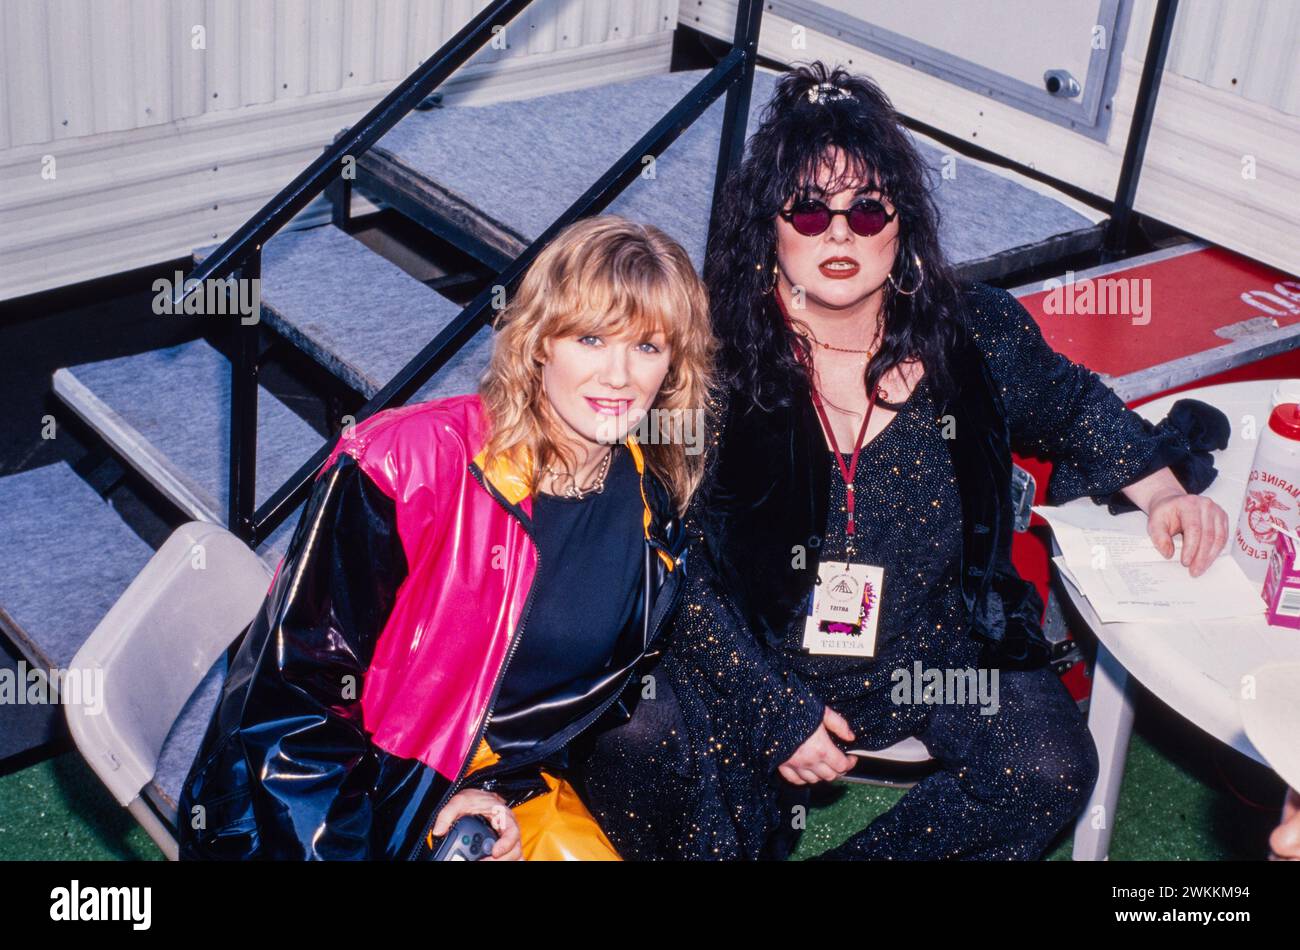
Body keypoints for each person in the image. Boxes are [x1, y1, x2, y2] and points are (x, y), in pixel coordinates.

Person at [571, 63, 1232, 860]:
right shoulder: (706, 364)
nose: (841, 233)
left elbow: (1073, 405)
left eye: (868, 208)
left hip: (925, 658)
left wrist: (1162, 492)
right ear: (769, 228)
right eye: (809, 211)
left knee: (1048, 767)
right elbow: (667, 561)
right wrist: (770, 710)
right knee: (643, 740)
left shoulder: (973, 333)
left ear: (903, 225)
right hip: (756, 663)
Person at [177, 214, 715, 860]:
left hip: (490, 804)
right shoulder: (406, 466)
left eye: (647, 347)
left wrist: (483, 798)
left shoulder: (652, 511)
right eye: (592, 338)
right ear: (541, 340)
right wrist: (422, 815)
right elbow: (289, 717)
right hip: (324, 819)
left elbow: (545, 713)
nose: (620, 376)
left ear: (673, 368)